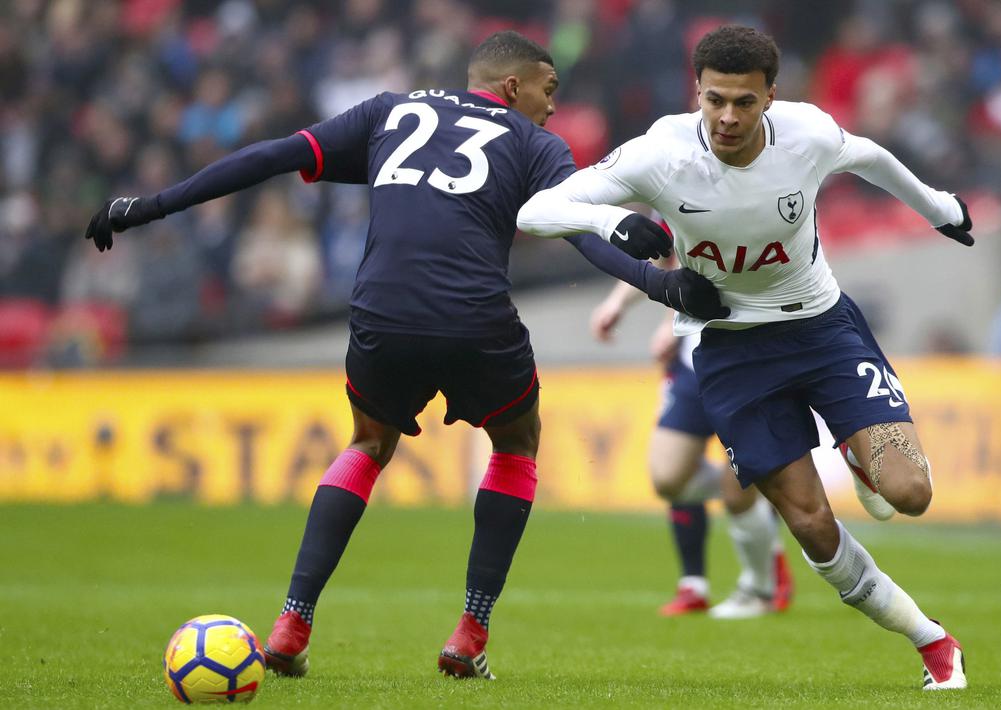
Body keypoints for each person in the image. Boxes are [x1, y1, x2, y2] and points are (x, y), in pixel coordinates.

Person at [83, 31, 729, 681]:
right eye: (548, 89)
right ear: (513, 86)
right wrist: (659, 284)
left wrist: (153, 205)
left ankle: (292, 619)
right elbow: (579, 231)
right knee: (514, 446)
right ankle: (471, 632)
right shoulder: (535, 145)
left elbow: (271, 156)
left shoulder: (388, 112)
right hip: (474, 321)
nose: (553, 106)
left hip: (380, 316)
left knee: (366, 445)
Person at [519, 25, 972, 690]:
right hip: (730, 350)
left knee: (911, 493)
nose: (727, 117)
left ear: (771, 98)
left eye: (743, 102)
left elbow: (870, 155)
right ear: (695, 93)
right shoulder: (660, 154)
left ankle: (856, 450)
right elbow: (536, 211)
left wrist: (938, 209)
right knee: (813, 527)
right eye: (714, 100)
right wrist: (608, 223)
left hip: (823, 329)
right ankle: (931, 641)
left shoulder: (807, 134)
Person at [591, 258, 793, 619]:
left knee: (739, 483)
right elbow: (666, 260)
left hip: (748, 360)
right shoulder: (670, 203)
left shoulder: (750, 206)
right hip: (692, 363)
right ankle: (765, 497)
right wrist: (618, 304)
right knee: (668, 478)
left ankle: (757, 588)